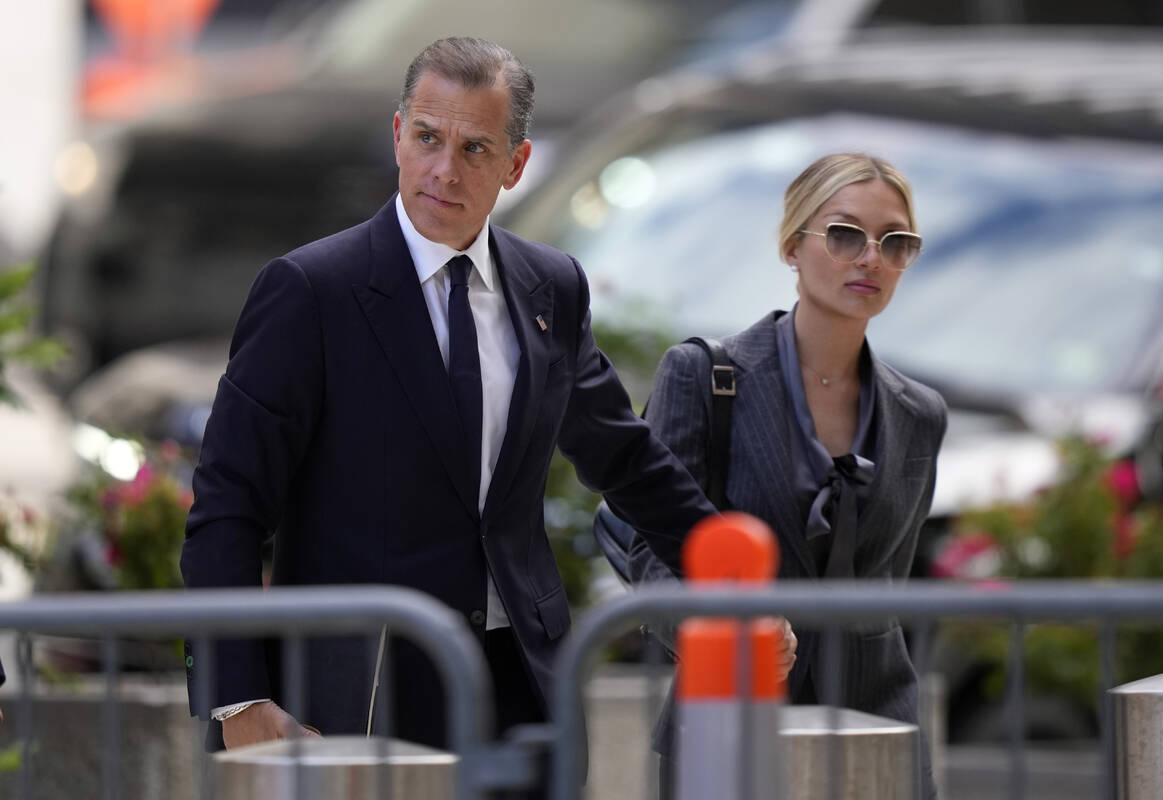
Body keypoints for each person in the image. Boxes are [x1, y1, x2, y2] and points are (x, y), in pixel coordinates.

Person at [179, 36, 717, 761]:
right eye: (428, 138)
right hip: (366, 694)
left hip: (524, 689)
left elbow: (624, 455)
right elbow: (228, 501)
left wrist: (741, 578)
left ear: (516, 165)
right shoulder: (311, 291)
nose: (444, 169)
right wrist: (236, 697)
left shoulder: (550, 287)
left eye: (475, 149)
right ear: (399, 135)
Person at [631, 152, 946, 798]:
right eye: (844, 234)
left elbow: (891, 587)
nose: (871, 258)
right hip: (729, 731)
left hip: (876, 734)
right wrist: (717, 630)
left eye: (896, 242)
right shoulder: (704, 378)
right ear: (791, 246)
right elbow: (649, 554)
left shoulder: (920, 415)